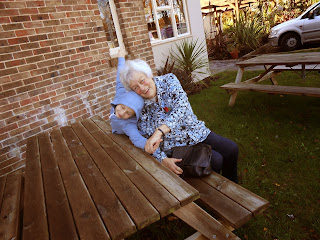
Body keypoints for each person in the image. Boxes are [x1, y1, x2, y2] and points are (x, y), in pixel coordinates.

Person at [120, 59, 238, 183]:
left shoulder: (168, 80)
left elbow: (182, 107)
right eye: (135, 87)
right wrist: (163, 160)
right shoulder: (139, 106)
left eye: (142, 80)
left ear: (149, 74)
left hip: (194, 131)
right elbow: (146, 140)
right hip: (177, 146)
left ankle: (233, 187)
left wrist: (159, 131)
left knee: (231, 149)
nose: (142, 88)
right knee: (216, 160)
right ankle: (219, 190)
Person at [110, 47, 161, 152]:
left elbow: (137, 139)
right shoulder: (120, 94)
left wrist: (149, 146)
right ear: (121, 101)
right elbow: (120, 74)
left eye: (128, 113)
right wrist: (121, 57)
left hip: (118, 136)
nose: (122, 113)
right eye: (123, 107)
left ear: (133, 116)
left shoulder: (128, 124)